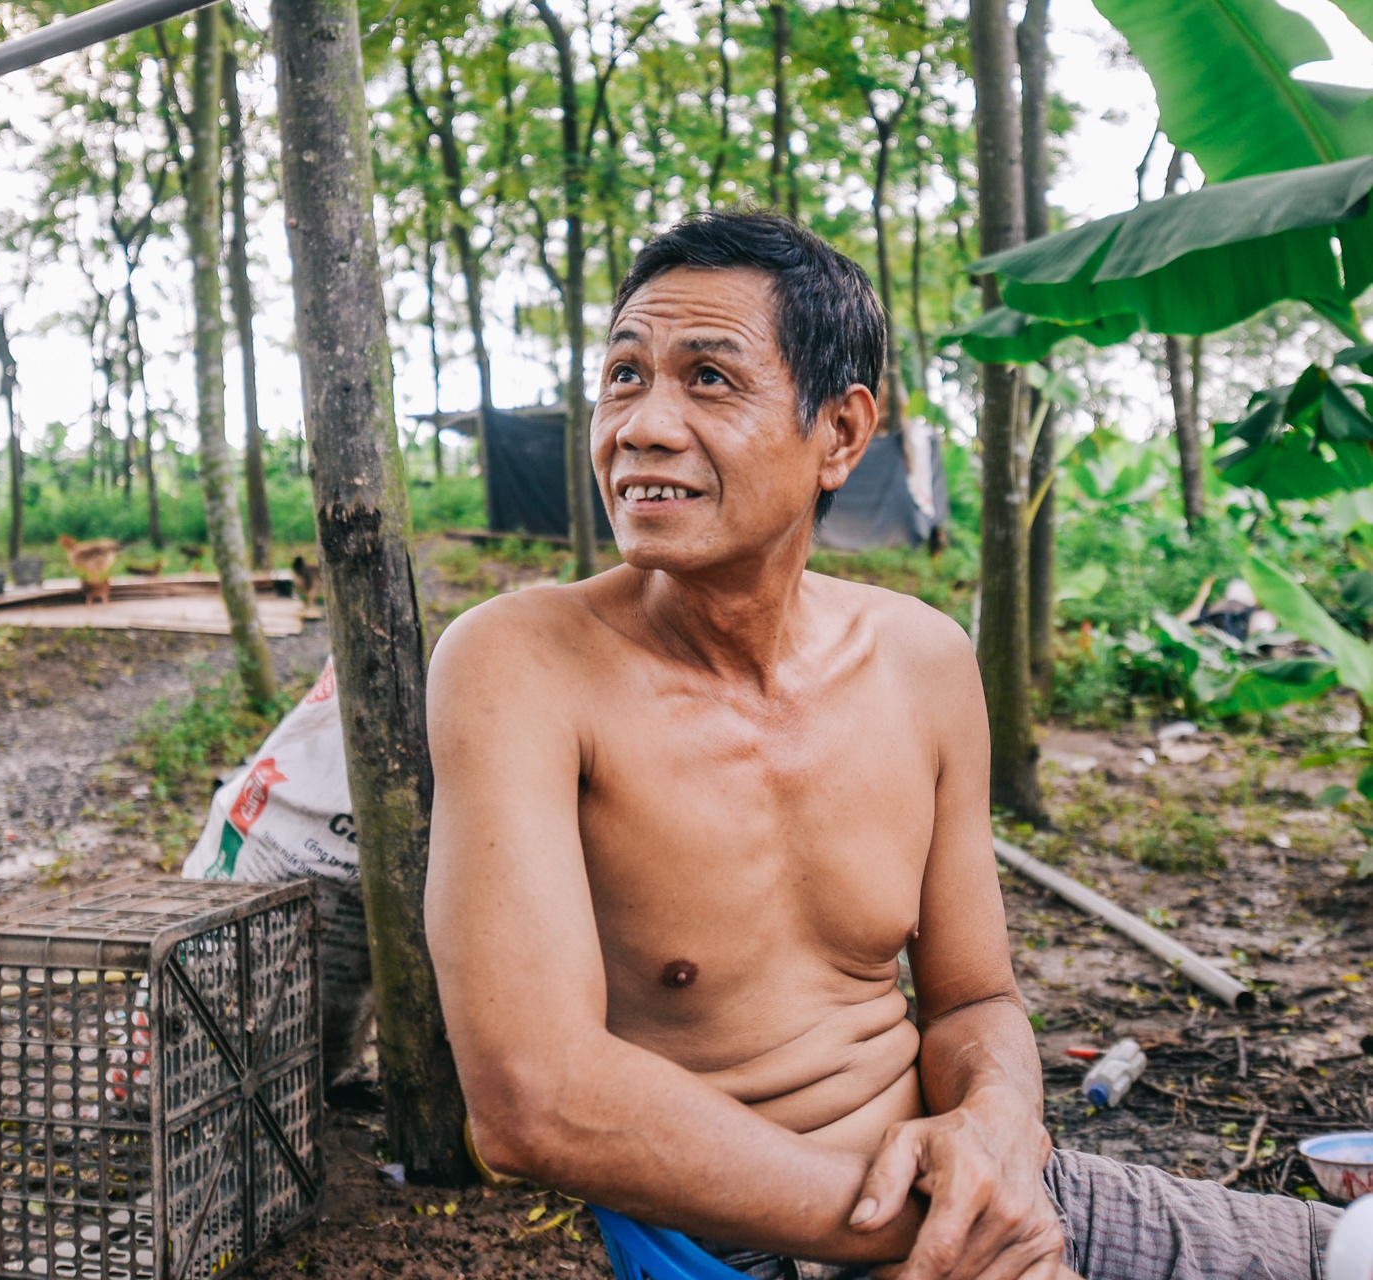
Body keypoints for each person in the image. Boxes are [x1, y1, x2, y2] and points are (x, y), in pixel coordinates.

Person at [424, 211, 1336, 1280]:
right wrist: (939, 1236)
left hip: (978, 1190)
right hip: (755, 1238)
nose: (643, 424)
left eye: (708, 379)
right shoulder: (519, 662)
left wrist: (995, 1133)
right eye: (625, 375)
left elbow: (972, 1000)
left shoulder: (923, 660)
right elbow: (534, 1102)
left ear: (843, 435)